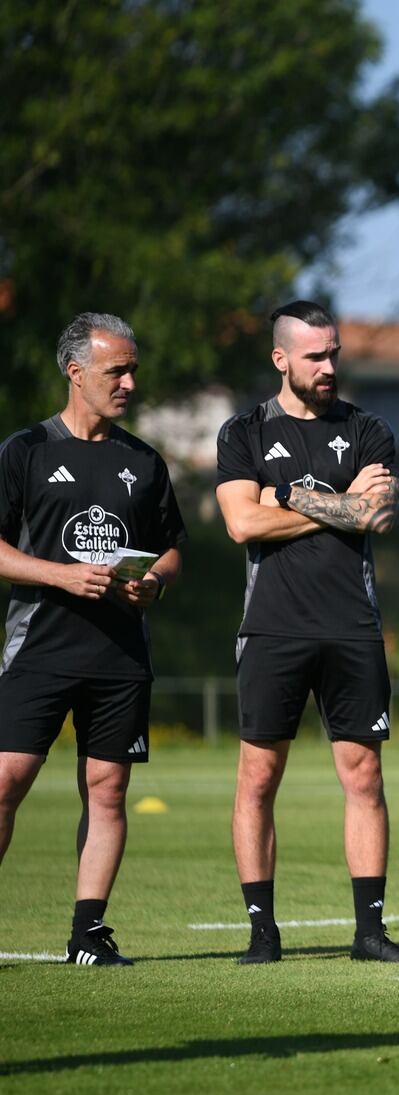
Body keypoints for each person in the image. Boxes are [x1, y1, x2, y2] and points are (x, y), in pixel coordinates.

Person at [214, 300, 399, 965]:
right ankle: (262, 934)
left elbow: (376, 514)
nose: (329, 366)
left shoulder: (367, 429)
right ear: (281, 359)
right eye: (315, 356)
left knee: (364, 776)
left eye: (334, 353)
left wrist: (287, 496)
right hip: (271, 625)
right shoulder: (242, 433)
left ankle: (370, 932)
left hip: (352, 626)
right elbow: (242, 525)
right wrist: (339, 506)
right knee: (258, 778)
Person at [0, 313, 186, 965]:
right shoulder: (24, 451)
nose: (131, 382)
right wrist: (59, 574)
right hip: (40, 650)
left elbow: (171, 550)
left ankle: (89, 932)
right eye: (118, 370)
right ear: (75, 372)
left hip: (119, 656)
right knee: (6, 779)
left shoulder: (143, 461)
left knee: (106, 787)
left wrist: (154, 584)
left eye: (134, 369)